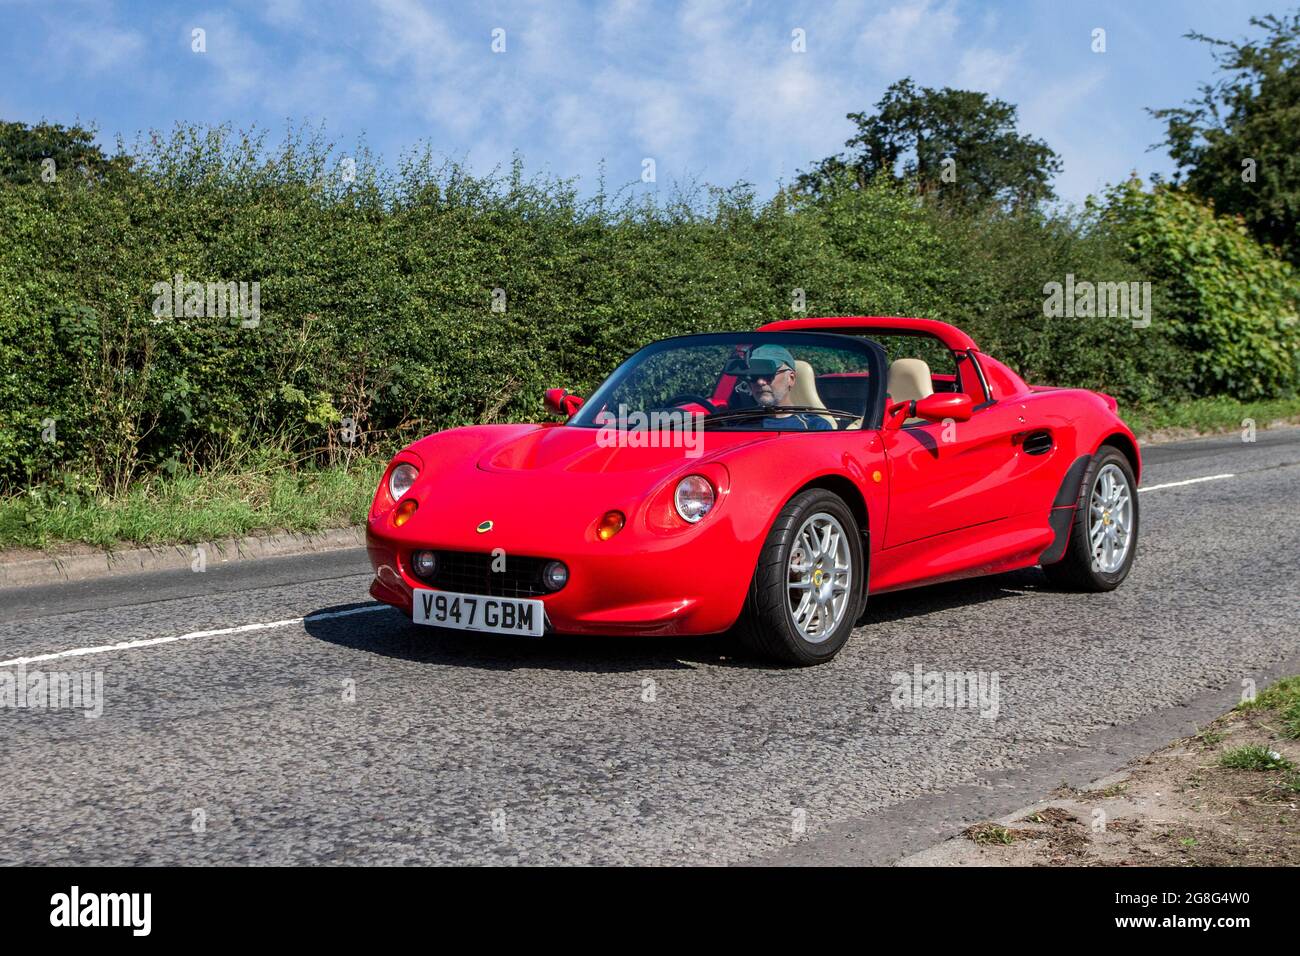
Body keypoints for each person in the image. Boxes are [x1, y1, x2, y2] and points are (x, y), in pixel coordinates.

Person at [730, 344, 832, 431]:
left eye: (768, 374)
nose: (760, 382)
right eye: (753, 375)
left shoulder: (815, 427)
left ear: (791, 378)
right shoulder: (739, 427)